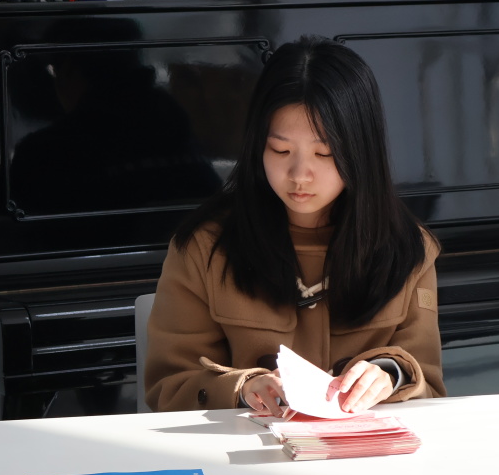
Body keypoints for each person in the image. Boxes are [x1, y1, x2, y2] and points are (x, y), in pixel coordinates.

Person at [145, 36, 444, 413]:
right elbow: (168, 386)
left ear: (360, 151)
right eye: (281, 150)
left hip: (364, 446)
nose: (300, 174)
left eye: (324, 153)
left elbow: (430, 385)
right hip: (244, 445)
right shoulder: (203, 248)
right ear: (257, 146)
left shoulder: (408, 249)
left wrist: (390, 374)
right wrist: (242, 389)